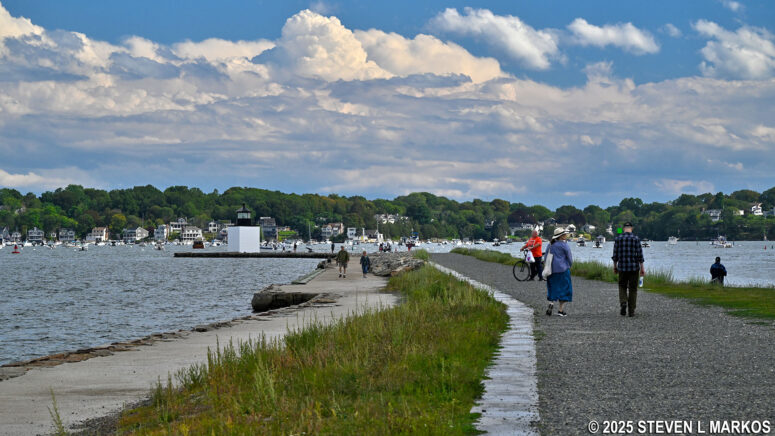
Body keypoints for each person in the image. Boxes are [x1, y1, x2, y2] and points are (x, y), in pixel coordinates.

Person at [612, 221, 645, 317]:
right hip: (634, 267)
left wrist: (615, 266)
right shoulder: (636, 239)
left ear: (623, 228)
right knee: (633, 289)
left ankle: (623, 302)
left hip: (622, 267)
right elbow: (640, 255)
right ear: (632, 228)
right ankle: (631, 311)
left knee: (622, 286)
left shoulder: (618, 238)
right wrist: (642, 268)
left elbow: (615, 255)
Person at [545, 227, 573, 317]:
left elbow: (545, 257)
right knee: (565, 289)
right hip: (563, 270)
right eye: (564, 234)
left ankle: (551, 302)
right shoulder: (564, 245)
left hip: (551, 270)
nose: (566, 235)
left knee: (552, 287)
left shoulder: (550, 244)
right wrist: (570, 265)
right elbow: (570, 258)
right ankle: (560, 310)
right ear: (561, 236)